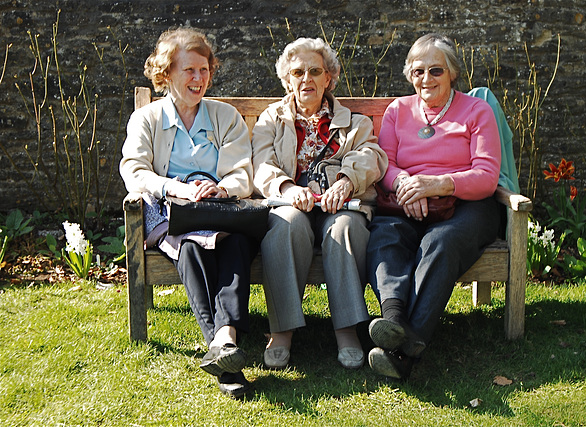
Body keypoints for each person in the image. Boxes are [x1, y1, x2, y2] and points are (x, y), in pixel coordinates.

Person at [120, 28, 256, 398]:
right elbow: (134, 170)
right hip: (172, 213)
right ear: (165, 74)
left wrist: (222, 187)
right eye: (189, 71)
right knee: (191, 248)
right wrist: (176, 188)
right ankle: (224, 346)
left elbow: (242, 170)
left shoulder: (224, 116)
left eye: (204, 70)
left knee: (237, 243)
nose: (199, 79)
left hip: (219, 210)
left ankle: (222, 341)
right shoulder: (147, 119)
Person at [366, 33, 502, 379]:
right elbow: (386, 164)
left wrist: (437, 184)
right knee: (385, 236)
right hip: (408, 200)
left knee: (440, 243)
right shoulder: (398, 111)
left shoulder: (477, 111)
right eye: (417, 71)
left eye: (435, 71)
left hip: (468, 203)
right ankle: (394, 319)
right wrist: (406, 186)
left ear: (453, 73)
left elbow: (486, 175)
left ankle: (404, 350)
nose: (425, 79)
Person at [252, 37, 388, 370]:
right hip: (290, 205)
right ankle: (281, 332)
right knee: (287, 225)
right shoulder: (271, 119)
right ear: (287, 81)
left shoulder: (355, 122)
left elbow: (371, 156)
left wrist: (345, 182)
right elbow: (260, 161)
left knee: (343, 228)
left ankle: (346, 331)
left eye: (315, 71)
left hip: (340, 206)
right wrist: (285, 187)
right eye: (297, 72)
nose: (306, 79)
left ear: (329, 78)